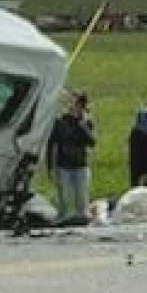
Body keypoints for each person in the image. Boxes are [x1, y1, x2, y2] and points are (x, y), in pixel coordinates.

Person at [43, 90, 96, 223]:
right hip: (63, 166)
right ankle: (62, 217)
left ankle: (81, 219)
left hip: (80, 165)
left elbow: (92, 142)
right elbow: (51, 144)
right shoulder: (60, 122)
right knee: (65, 199)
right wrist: (50, 166)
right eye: (72, 103)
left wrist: (81, 125)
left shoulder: (86, 122)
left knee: (81, 200)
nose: (73, 106)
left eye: (76, 104)